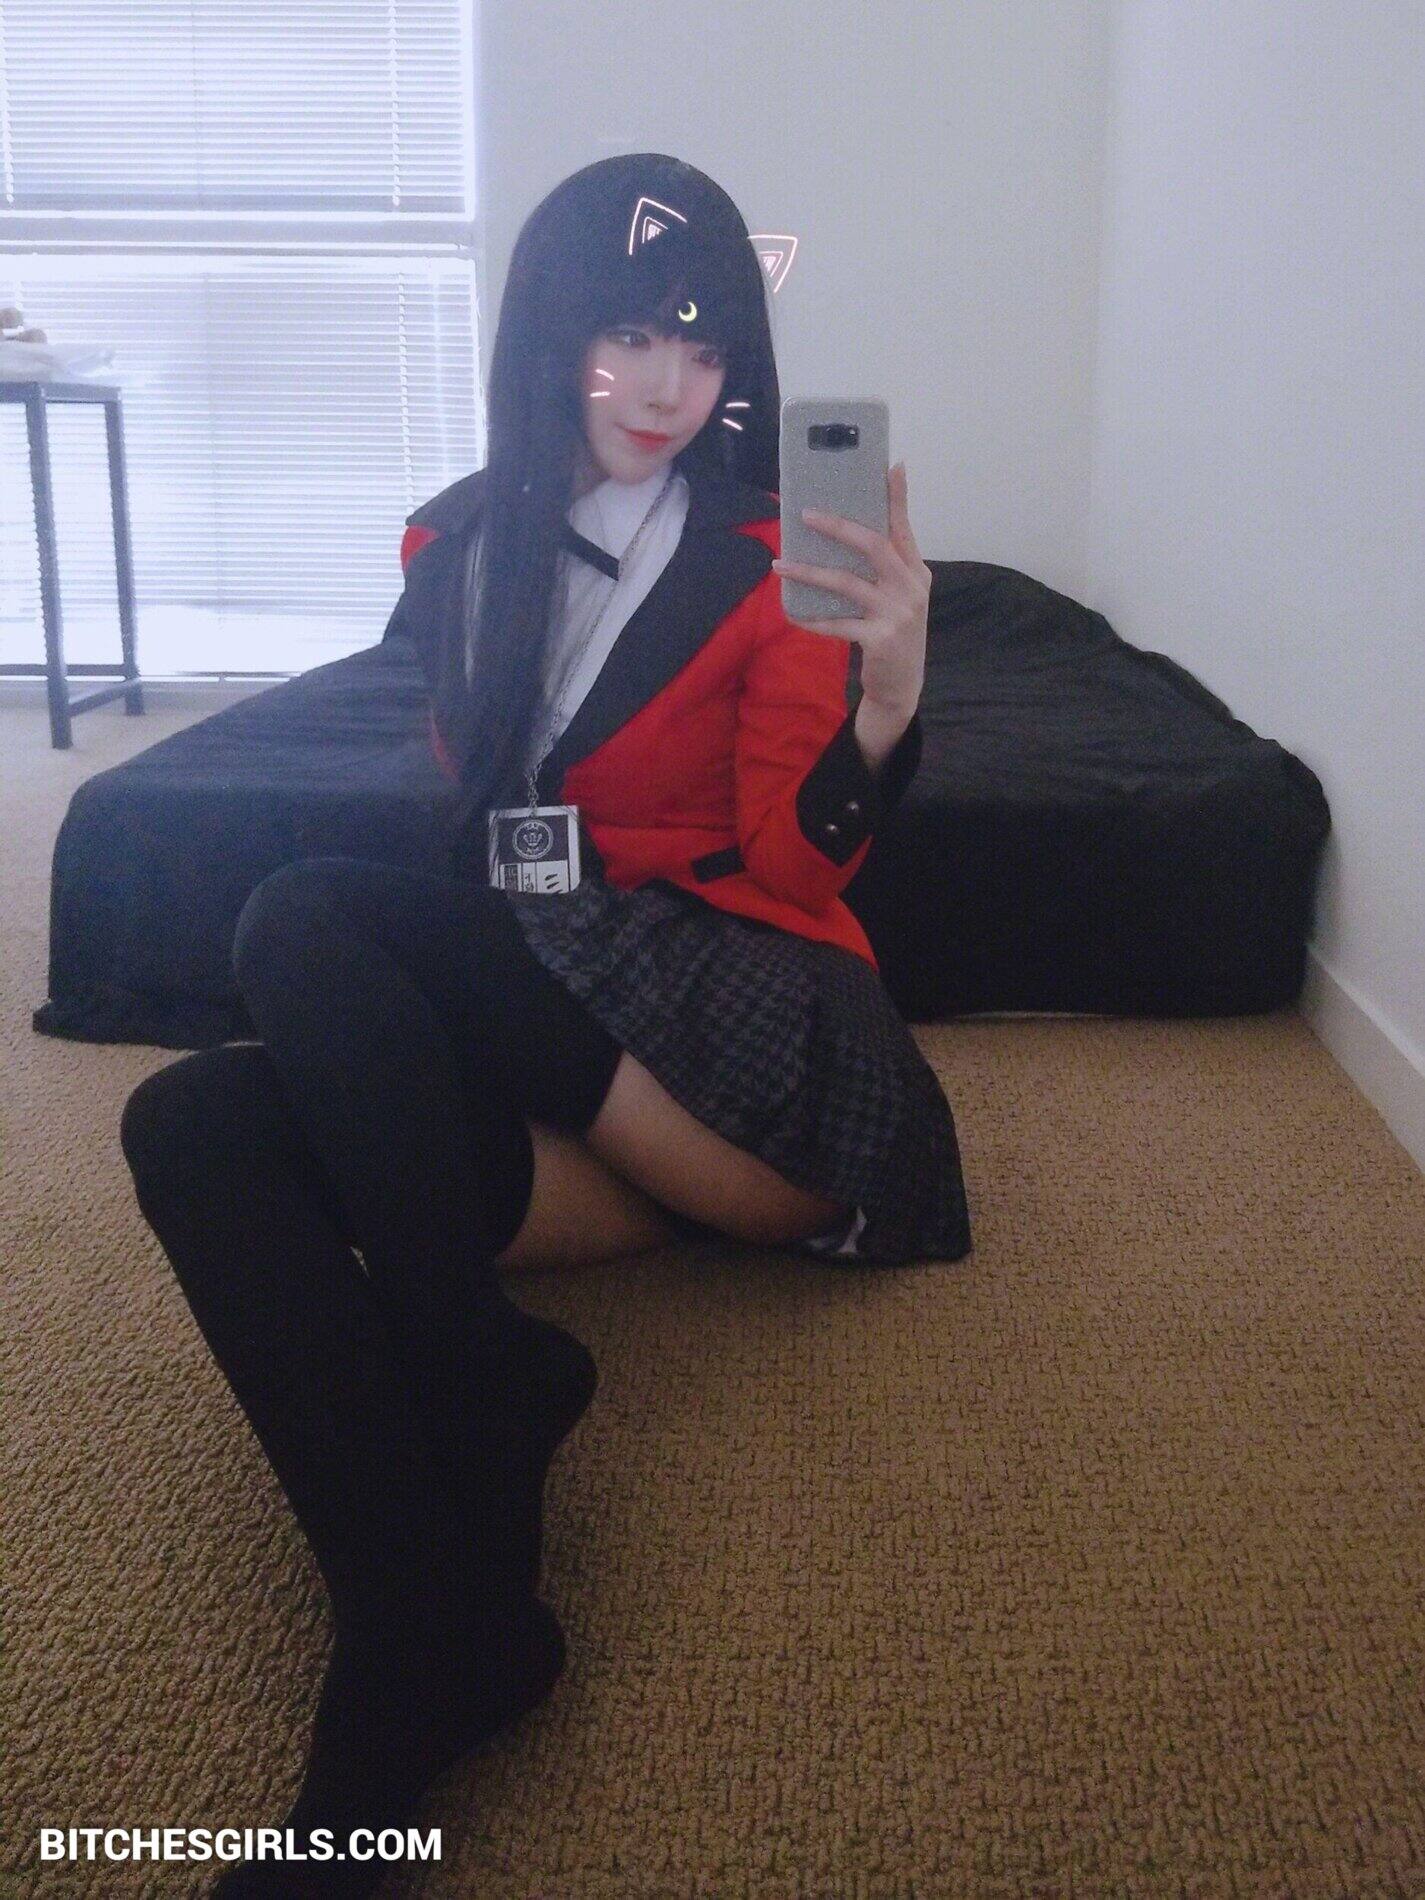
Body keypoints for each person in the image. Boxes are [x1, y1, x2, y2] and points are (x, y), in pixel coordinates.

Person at [118, 152, 971, 1896]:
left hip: (738, 1053)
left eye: (703, 347)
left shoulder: (773, 556)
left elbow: (793, 868)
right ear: (548, 339)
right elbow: (485, 829)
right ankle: (432, 1631)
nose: (666, 387)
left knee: (305, 909)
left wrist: (880, 712)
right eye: (626, 336)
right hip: (553, 1031)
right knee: (186, 1125)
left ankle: (469, 1369)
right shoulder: (457, 542)